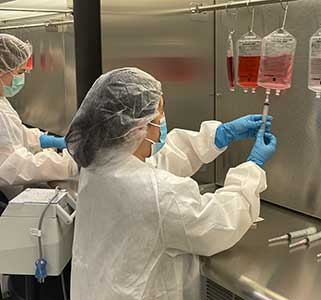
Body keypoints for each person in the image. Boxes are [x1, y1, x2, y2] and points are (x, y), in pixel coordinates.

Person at [66, 67, 277, 300]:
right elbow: (218, 223)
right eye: (158, 117)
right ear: (137, 127)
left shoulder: (97, 164)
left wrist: (217, 136)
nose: (162, 124)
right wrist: (253, 168)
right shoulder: (156, 194)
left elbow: (153, 168)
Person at [0, 34, 77, 202]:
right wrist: (66, 164)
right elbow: (12, 167)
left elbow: (14, 133)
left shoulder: (1, 100)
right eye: (19, 72)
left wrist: (44, 140)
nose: (21, 79)